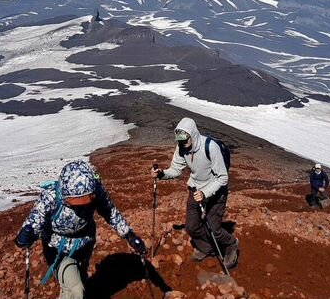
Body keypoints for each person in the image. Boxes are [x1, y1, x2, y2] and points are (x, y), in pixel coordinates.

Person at [15, 160, 146, 299]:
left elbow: (110, 212)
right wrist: (27, 234)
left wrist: (128, 234)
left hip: (84, 244)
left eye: (86, 203)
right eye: (75, 205)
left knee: (78, 281)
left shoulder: (96, 191)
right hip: (57, 249)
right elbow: (36, 218)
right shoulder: (51, 197)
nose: (81, 209)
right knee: (76, 288)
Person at [152, 117, 238, 268]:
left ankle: (231, 244)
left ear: (193, 134)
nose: (183, 144)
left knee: (215, 229)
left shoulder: (210, 147)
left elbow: (223, 178)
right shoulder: (181, 147)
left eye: (185, 141)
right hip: (195, 189)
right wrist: (162, 174)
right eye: (180, 141)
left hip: (216, 192)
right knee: (191, 227)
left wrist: (205, 193)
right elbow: (176, 169)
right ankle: (207, 247)